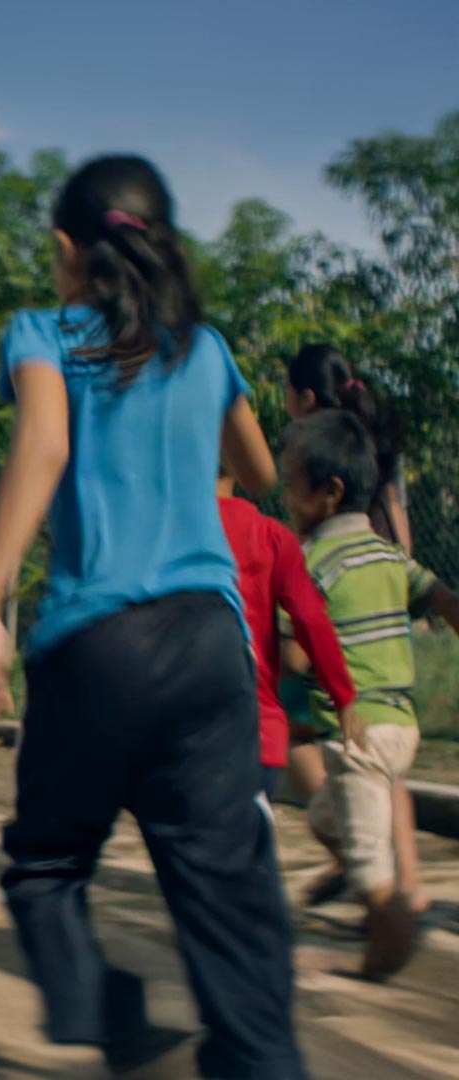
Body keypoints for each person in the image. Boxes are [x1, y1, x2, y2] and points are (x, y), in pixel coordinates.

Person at [0, 156, 304, 1079]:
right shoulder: (209, 350)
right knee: (231, 903)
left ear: (67, 249)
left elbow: (46, 442)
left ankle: (102, 1014)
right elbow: (262, 475)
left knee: (47, 867)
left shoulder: (42, 335)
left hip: (96, 646)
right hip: (208, 647)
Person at [276, 411, 459, 979]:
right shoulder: (389, 556)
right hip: (400, 728)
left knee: (371, 870)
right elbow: (445, 601)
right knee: (326, 816)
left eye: (289, 486)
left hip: (360, 736)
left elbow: (297, 658)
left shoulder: (312, 564)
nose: (283, 499)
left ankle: (382, 954)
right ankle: (370, 878)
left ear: (328, 492)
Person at [280, 345, 430, 914]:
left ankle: (365, 870)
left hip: (332, 613)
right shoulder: (368, 448)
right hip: (384, 607)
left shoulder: (317, 458)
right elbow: (403, 538)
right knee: (383, 755)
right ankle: (401, 882)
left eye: (288, 394)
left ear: (306, 401)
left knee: (310, 734)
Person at [216, 468, 357, 800]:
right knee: (246, 844)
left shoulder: (166, 534)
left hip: (180, 734)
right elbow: (310, 619)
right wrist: (343, 697)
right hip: (258, 734)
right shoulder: (272, 535)